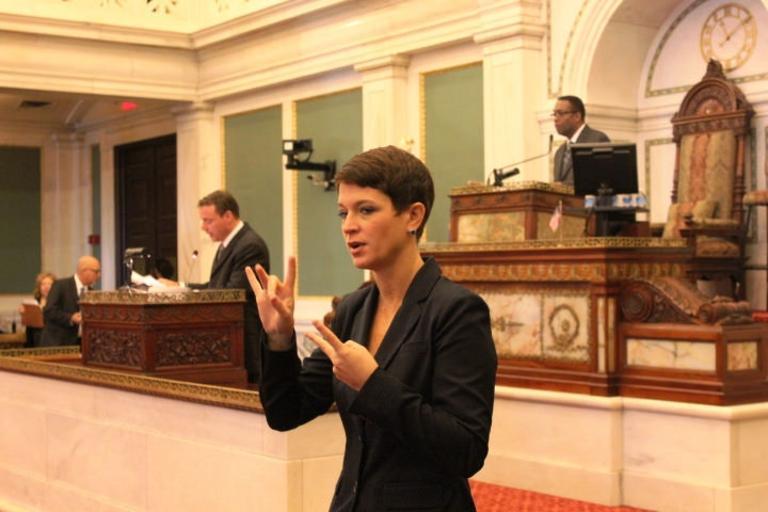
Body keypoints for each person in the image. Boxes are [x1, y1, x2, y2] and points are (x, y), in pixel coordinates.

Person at [246, 146, 497, 511]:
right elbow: (286, 412)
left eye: (365, 210)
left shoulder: (456, 311)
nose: (349, 225)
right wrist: (279, 337)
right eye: (343, 212)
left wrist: (372, 384)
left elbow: (466, 449)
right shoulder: (352, 309)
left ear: (413, 216)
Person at [191, 190, 270, 384]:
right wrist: (183, 287)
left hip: (243, 341)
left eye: (208, 221)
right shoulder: (228, 244)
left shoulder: (249, 245)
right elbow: (217, 286)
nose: (203, 227)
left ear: (228, 216)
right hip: (228, 340)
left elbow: (232, 293)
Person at [41, 256, 100, 347]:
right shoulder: (61, 285)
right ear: (84, 270)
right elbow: (49, 311)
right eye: (96, 271)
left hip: (83, 344)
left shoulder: (92, 292)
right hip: (58, 344)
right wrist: (71, 318)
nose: (99, 275)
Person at [553, 95, 610, 186]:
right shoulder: (559, 152)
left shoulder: (597, 140)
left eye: (560, 113)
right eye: (554, 114)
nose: (555, 119)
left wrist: (565, 187)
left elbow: (603, 180)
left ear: (577, 116)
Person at [20, 271, 56, 347]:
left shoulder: (59, 302)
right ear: (39, 287)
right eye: (43, 284)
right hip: (34, 338)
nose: (46, 287)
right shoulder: (34, 302)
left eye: (49, 284)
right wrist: (23, 313)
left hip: (52, 340)